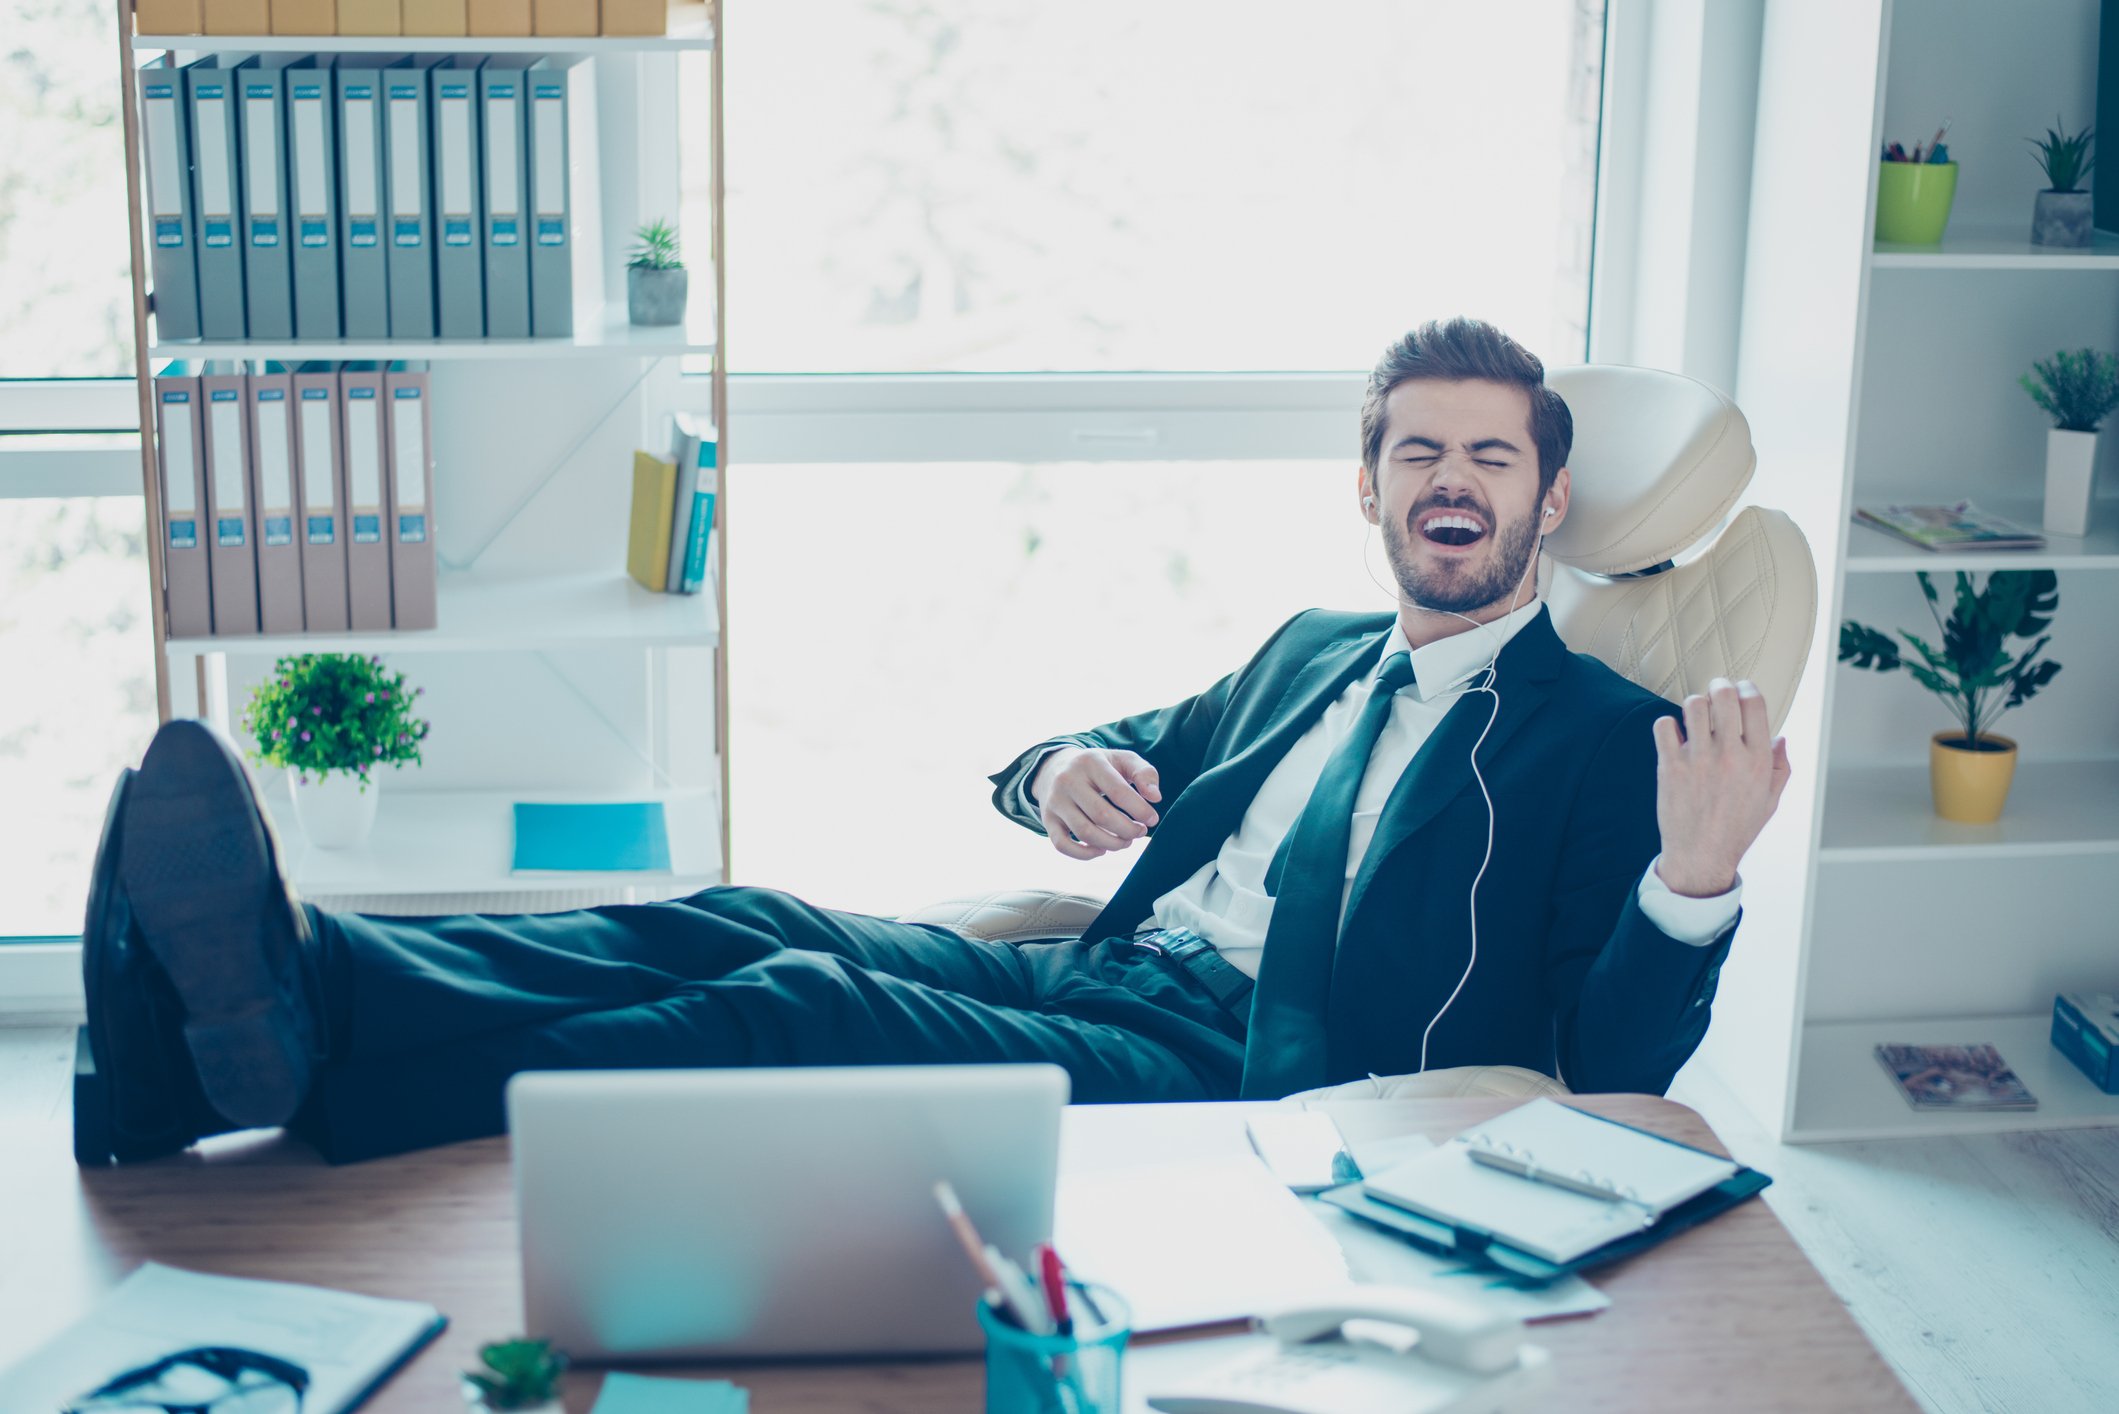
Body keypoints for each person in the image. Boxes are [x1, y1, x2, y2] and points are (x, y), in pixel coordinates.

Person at [75, 317, 1789, 1167]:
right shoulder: (1314, 649)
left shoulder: (1612, 734)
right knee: (752, 919)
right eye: (1417, 452)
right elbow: (1113, 740)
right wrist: (1053, 772)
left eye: (1491, 459)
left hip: (1251, 1070)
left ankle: (285, 1046)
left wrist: (1696, 878)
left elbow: (1613, 1059)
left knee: (793, 1013)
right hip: (1092, 972)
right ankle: (261, 999)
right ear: (1369, 485)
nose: (1451, 485)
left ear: (1550, 500)